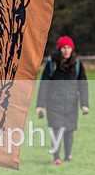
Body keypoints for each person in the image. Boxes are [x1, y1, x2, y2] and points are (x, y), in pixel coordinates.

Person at [35, 36, 89, 164]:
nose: (66, 50)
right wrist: (40, 105)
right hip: (54, 104)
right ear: (59, 49)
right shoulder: (51, 64)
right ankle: (57, 157)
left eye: (68, 48)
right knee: (56, 130)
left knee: (69, 131)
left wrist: (84, 104)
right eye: (64, 47)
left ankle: (68, 156)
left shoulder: (77, 65)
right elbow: (44, 85)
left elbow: (83, 85)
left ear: (72, 49)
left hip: (71, 104)